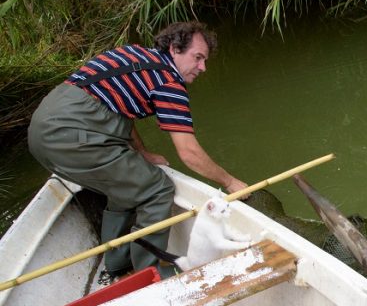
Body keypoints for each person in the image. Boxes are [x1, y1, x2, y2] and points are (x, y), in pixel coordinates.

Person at [27, 21, 248, 278]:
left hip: (44, 127)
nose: (203, 68)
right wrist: (230, 182)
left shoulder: (133, 55)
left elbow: (119, 108)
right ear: (175, 49)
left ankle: (118, 263)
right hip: (70, 135)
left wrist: (141, 153)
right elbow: (189, 153)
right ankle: (149, 272)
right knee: (157, 188)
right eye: (197, 58)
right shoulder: (168, 82)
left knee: (127, 185)